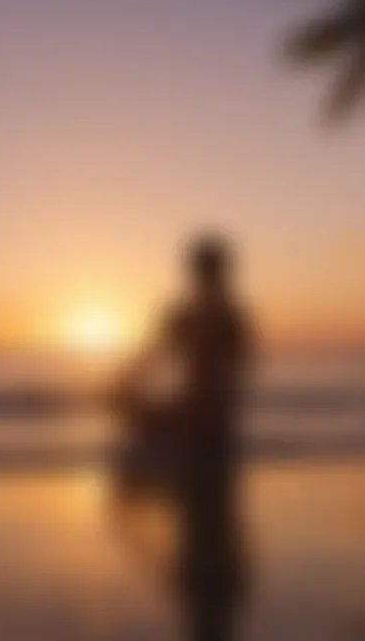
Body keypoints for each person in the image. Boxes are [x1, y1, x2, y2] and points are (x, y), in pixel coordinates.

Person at [110, 233, 253, 641]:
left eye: (209, 269)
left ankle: (209, 610)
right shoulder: (205, 316)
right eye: (210, 269)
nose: (210, 277)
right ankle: (209, 609)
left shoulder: (218, 317)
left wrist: (136, 388)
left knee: (208, 523)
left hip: (210, 428)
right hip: (207, 428)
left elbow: (229, 372)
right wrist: (130, 385)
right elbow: (153, 354)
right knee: (206, 524)